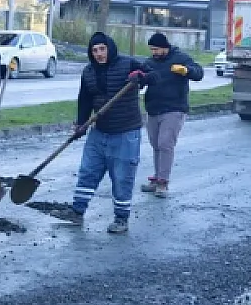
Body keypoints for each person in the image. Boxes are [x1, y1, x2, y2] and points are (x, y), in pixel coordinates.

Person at [71, 32, 148, 233]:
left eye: (102, 49)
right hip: (99, 131)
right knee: (88, 171)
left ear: (110, 48)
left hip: (126, 133)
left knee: (122, 177)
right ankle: (77, 212)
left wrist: (140, 76)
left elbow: (153, 76)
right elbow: (84, 99)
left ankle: (121, 218)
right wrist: (81, 124)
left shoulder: (128, 64)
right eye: (95, 50)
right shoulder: (88, 71)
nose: (99, 54)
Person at [139, 32, 204, 198]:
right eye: (152, 49)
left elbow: (199, 73)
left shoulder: (181, 58)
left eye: (156, 49)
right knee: (156, 144)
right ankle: (156, 178)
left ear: (164, 47)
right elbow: (141, 80)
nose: (153, 52)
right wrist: (138, 78)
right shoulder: (150, 63)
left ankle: (163, 182)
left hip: (174, 109)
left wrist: (186, 70)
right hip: (153, 108)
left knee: (165, 144)